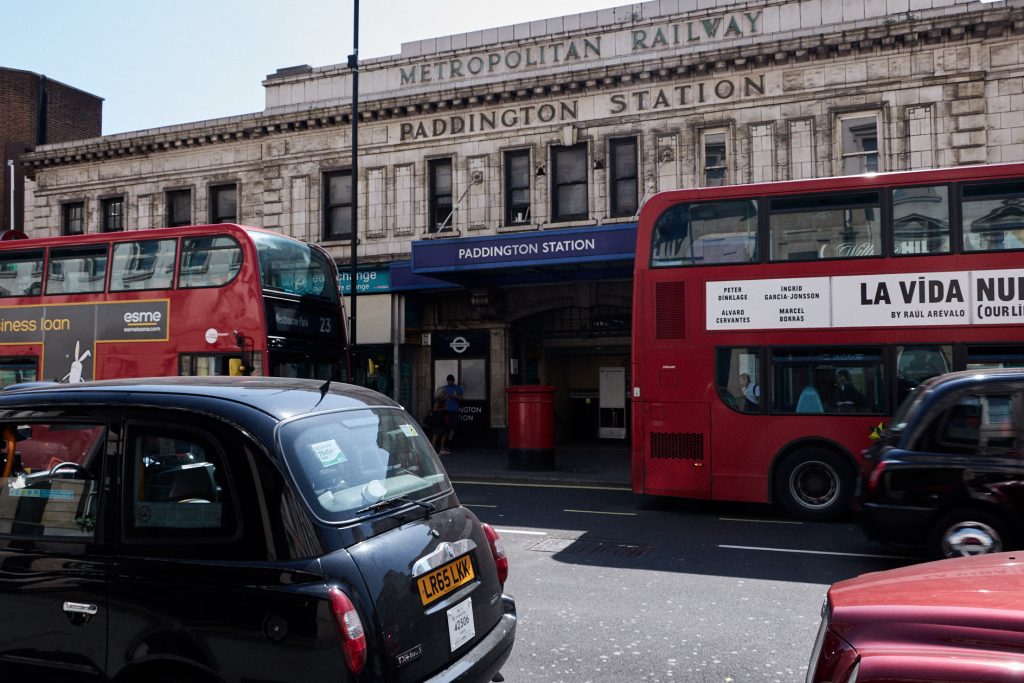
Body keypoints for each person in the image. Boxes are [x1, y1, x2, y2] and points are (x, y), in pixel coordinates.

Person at [433, 374, 463, 455]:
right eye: (448, 381)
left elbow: (461, 399)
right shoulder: (444, 388)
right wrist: (447, 398)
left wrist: (455, 396)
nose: (449, 382)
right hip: (445, 412)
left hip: (454, 410)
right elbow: (438, 397)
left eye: (451, 381)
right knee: (443, 428)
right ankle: (441, 446)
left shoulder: (458, 388)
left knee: (453, 427)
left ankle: (448, 443)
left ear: (453, 381)